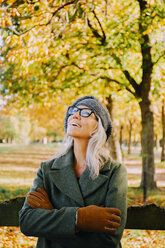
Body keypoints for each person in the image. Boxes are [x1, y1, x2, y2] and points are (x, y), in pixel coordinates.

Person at [19, 95, 127, 248]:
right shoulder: (47, 169)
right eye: (73, 111)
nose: (74, 115)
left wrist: (52, 216)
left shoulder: (115, 172)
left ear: (98, 127)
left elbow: (109, 240)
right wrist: (79, 219)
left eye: (85, 112)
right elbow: (27, 221)